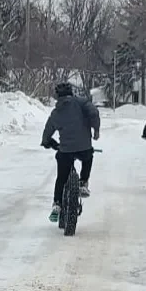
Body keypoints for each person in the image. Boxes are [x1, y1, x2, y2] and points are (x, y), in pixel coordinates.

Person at [41, 82, 100, 222]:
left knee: (61, 177)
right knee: (88, 157)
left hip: (66, 150)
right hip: (84, 147)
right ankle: (83, 182)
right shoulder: (82, 102)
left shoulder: (56, 112)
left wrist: (46, 142)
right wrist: (96, 129)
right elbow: (94, 112)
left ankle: (57, 204)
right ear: (72, 92)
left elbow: (48, 130)